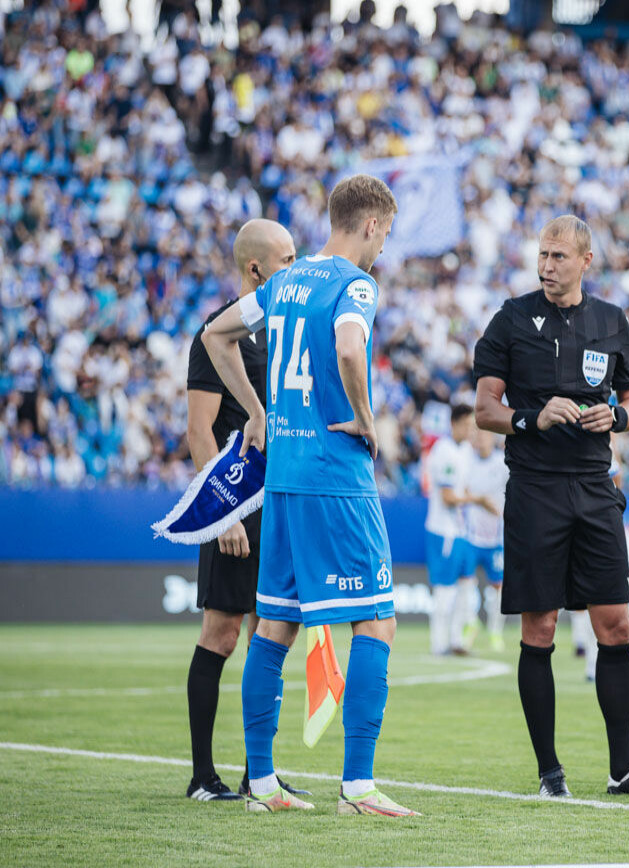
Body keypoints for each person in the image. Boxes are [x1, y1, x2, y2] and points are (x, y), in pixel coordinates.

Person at [200, 174, 417, 817]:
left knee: (276, 624)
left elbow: (216, 333)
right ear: (373, 225)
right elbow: (351, 346)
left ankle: (262, 784)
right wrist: (367, 418)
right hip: (334, 476)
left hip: (285, 476)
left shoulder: (286, 283)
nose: (382, 247)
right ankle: (357, 786)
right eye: (385, 233)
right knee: (377, 618)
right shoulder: (355, 284)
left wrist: (258, 410)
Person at [473, 214, 629, 799]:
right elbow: (484, 408)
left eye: (559, 256)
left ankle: (624, 770)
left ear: (587, 260)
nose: (547, 265)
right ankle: (549, 773)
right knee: (539, 628)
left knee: (615, 624)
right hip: (535, 489)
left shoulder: (611, 322)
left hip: (595, 489)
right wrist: (529, 417)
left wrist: (614, 415)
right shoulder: (512, 318)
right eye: (542, 255)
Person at [184, 218, 304, 802]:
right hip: (238, 500)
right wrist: (221, 513)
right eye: (285, 260)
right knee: (223, 632)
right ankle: (203, 776)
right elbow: (199, 431)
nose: (295, 266)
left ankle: (262, 772)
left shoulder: (291, 330)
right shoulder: (218, 333)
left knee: (273, 633)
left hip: (281, 503)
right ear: (255, 270)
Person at [423, 403, 475, 657]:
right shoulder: (442, 451)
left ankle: (457, 640)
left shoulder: (465, 450)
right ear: (454, 423)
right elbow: (447, 497)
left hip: (461, 530)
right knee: (444, 590)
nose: (469, 429)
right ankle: (438, 643)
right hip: (443, 530)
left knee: (465, 588)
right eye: (466, 424)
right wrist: (477, 500)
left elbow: (462, 490)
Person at [462, 423, 508, 652]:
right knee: (466, 583)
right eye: (478, 436)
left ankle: (495, 633)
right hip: (471, 535)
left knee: (497, 588)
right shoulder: (467, 462)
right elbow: (463, 491)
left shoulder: (501, 463)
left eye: (485, 436)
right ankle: (470, 624)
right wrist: (481, 501)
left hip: (496, 537)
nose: (481, 440)